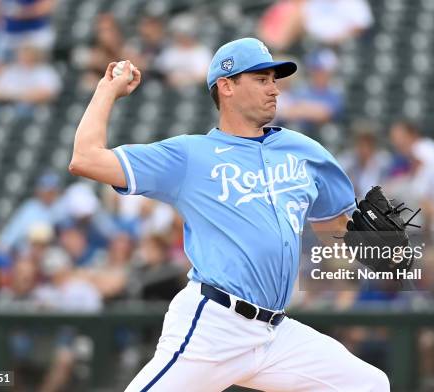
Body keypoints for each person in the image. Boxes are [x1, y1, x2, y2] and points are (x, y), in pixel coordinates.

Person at [69, 37, 390, 391]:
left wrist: (377, 248)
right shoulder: (190, 156)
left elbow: (334, 224)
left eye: (274, 80)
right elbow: (85, 158)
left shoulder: (304, 151)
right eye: (261, 79)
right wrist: (107, 90)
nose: (274, 89)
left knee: (368, 384)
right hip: (215, 325)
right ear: (226, 86)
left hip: (275, 334)